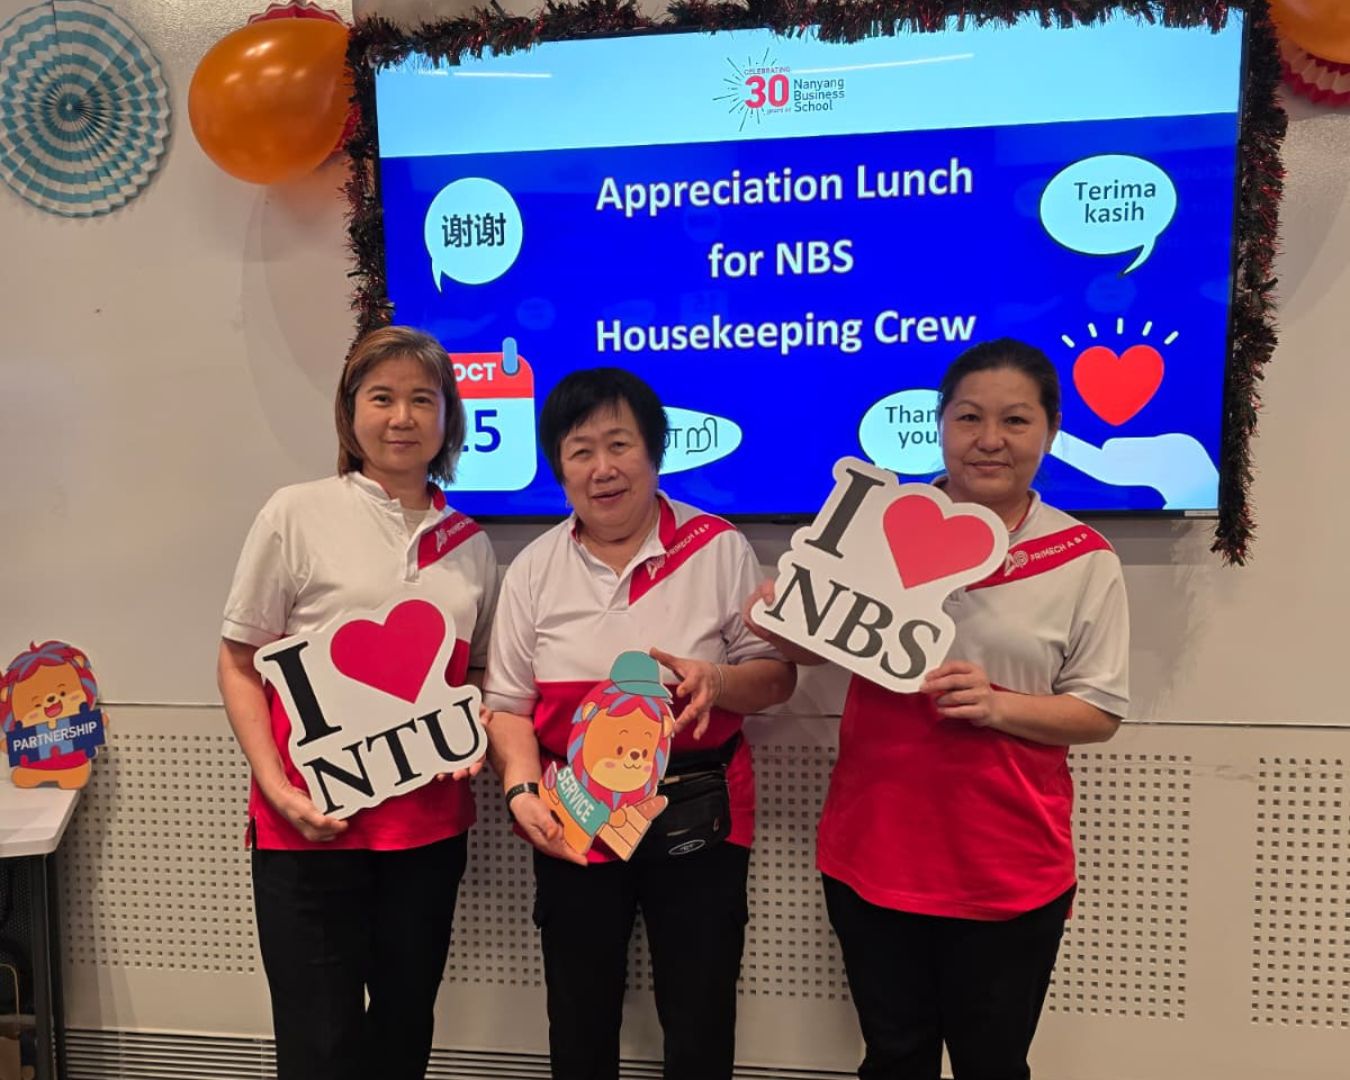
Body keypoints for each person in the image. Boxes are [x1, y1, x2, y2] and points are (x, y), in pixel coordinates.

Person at [746, 338, 1128, 1080]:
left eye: (1015, 420)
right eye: (969, 417)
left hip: (1007, 865)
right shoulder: (880, 524)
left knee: (993, 1064)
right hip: (874, 851)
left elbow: (1098, 712)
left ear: (1050, 431)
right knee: (894, 1058)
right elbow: (812, 648)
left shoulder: (1083, 558)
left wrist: (997, 706)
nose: (990, 439)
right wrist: (778, 620)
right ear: (941, 425)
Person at [483, 367, 796, 1080]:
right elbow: (507, 705)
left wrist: (718, 680)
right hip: (574, 814)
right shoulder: (533, 568)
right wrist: (522, 792)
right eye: (580, 451)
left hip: (699, 812)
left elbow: (777, 678)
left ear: (655, 451)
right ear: (559, 467)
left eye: (619, 444)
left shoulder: (717, 547)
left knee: (700, 1012)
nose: (603, 468)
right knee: (579, 1013)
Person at [217, 326, 499, 1080]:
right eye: (382, 397)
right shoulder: (295, 514)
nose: (402, 417)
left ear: (448, 418)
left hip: (427, 835)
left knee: (404, 1032)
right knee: (319, 1044)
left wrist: (471, 731)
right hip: (309, 827)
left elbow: (473, 672)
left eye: (422, 399)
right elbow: (239, 662)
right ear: (349, 413)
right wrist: (276, 787)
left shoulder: (471, 544)